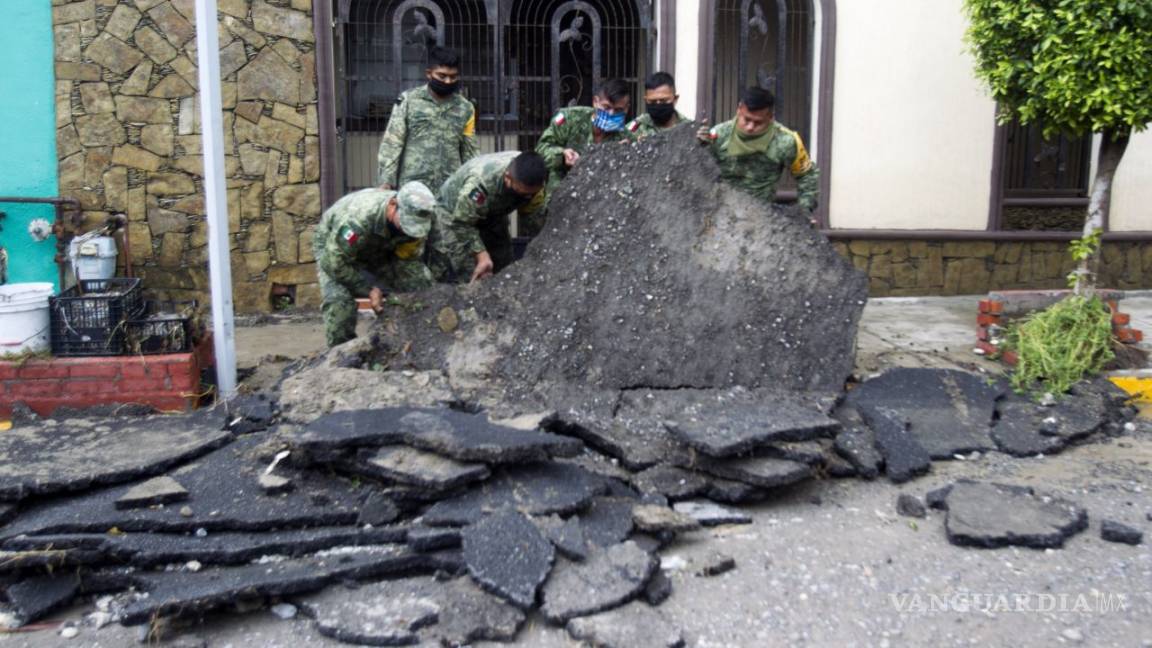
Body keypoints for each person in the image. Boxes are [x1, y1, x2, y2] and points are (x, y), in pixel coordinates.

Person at [313, 182, 438, 347]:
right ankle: (342, 357)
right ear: (393, 205)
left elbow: (409, 258)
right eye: (408, 223)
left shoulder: (422, 215)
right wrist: (369, 290)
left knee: (422, 284)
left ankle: (419, 339)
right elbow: (334, 263)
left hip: (380, 248)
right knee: (340, 304)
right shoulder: (358, 219)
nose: (412, 230)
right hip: (336, 250)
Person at [429, 151, 548, 283]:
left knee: (505, 267)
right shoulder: (481, 184)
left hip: (492, 215)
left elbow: (532, 214)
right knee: (474, 272)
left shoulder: (534, 174)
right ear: (508, 178)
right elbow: (461, 223)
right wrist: (481, 255)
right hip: (454, 216)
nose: (527, 197)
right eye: (522, 193)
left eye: (531, 194)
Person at [697, 86, 820, 212]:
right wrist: (699, 146)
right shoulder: (719, 135)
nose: (750, 127)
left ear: (771, 117)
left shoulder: (785, 141)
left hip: (761, 217)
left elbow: (807, 176)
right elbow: (699, 173)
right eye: (747, 119)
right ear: (739, 110)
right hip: (721, 213)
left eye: (758, 122)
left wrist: (803, 211)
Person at [376, 46, 478, 192]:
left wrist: (473, 182)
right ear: (429, 74)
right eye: (442, 76)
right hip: (413, 188)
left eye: (453, 76)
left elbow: (470, 150)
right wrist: (386, 181)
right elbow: (393, 142)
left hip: (449, 189)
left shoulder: (465, 108)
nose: (448, 81)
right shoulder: (408, 101)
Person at [535, 79, 633, 194]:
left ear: (626, 109)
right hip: (559, 195)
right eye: (606, 107)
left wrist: (624, 156)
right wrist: (562, 155)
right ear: (595, 102)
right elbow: (540, 150)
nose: (611, 114)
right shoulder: (570, 119)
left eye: (618, 110)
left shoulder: (626, 139)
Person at [625, 72, 691, 139]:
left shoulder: (689, 128)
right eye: (653, 101)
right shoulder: (636, 127)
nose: (658, 104)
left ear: (675, 99)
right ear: (646, 100)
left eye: (663, 100)